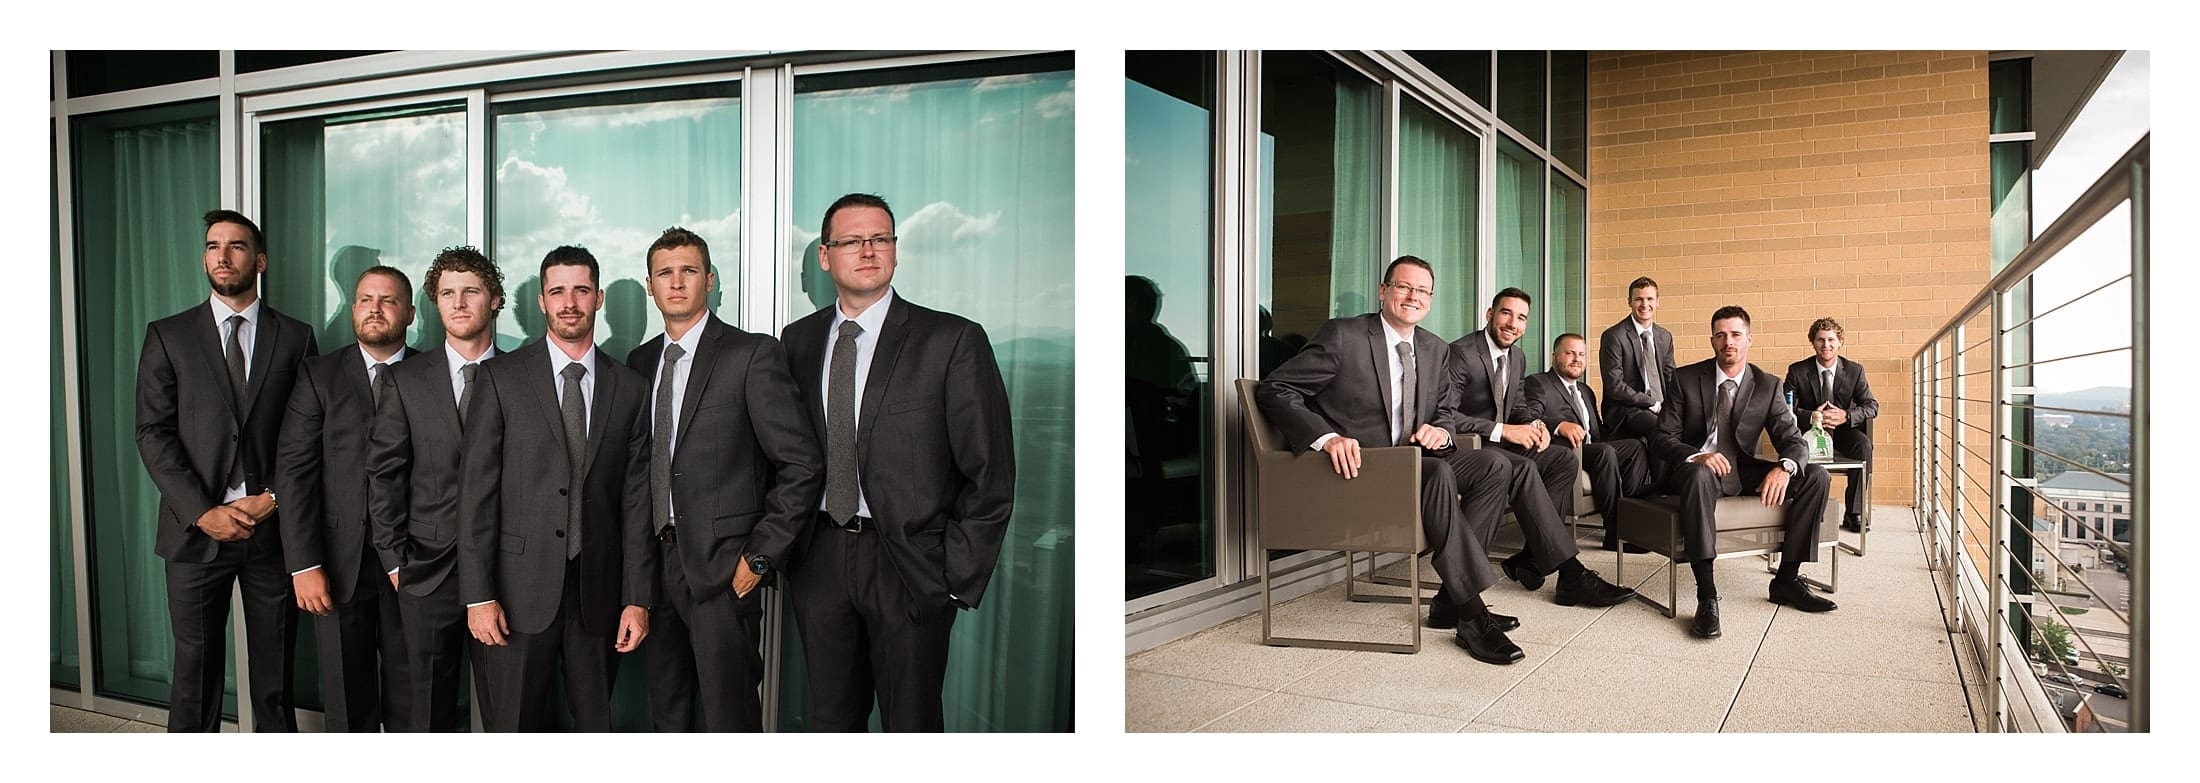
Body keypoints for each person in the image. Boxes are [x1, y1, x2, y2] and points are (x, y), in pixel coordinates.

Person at [780, 193, 1015, 730]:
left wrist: (953, 577)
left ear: (894, 250)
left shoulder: (951, 339)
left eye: (880, 238)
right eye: (852, 240)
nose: (867, 250)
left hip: (908, 565)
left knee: (912, 724)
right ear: (824, 256)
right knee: (831, 721)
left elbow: (990, 473)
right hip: (819, 556)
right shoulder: (797, 343)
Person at [1256, 256, 1525, 666]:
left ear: (1430, 300)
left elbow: (1445, 412)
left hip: (1415, 463)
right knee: (1434, 471)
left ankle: (1449, 597)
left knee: (1495, 466)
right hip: (1363, 470)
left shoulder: (1435, 349)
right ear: (1383, 292)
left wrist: (1441, 431)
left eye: (1422, 291)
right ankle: (1471, 614)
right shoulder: (1344, 336)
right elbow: (1276, 389)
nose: (1412, 296)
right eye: (1403, 287)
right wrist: (1325, 438)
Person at [628, 228, 822, 732]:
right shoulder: (640, 363)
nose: (676, 283)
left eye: (688, 271)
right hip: (657, 569)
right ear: (650, 285)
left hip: (723, 572)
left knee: (728, 718)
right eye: (665, 274)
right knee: (668, 714)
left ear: (709, 280)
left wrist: (759, 557)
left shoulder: (750, 354)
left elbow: (800, 464)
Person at [459, 246, 656, 731]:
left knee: (594, 727)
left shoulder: (629, 387)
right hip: (514, 596)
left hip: (598, 598)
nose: (570, 302)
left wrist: (637, 598)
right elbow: (476, 495)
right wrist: (478, 595)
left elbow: (635, 503)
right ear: (542, 302)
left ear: (599, 298)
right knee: (515, 727)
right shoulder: (500, 378)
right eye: (558, 291)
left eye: (581, 290)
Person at [134, 209, 317, 731]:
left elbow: (308, 435)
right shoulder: (168, 336)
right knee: (194, 675)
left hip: (273, 531)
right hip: (195, 535)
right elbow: (153, 432)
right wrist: (201, 511)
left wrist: (274, 497)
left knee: (275, 677)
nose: (222, 255)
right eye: (213, 245)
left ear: (258, 261)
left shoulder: (296, 337)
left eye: (236, 246)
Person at [272, 265, 418, 731]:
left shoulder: (432, 374)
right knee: (345, 701)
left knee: (414, 697)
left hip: (415, 566)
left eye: (389, 300)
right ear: (354, 308)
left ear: (411, 313)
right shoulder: (319, 375)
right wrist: (304, 564)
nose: (375, 309)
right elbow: (294, 474)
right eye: (366, 299)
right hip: (335, 567)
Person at [367, 246, 505, 731]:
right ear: (434, 303)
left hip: (505, 573)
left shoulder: (523, 377)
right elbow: (384, 474)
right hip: (424, 571)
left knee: (508, 713)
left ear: (494, 300)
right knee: (426, 715)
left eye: (471, 291)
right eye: (447, 293)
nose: (459, 302)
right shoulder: (404, 380)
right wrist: (393, 558)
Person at [1650, 306, 1838, 639]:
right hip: (1695, 471)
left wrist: (1785, 466)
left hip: (1742, 469)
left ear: (1749, 339)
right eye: (1721, 335)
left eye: (1736, 335)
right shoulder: (1686, 378)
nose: (1728, 342)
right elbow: (1662, 437)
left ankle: (1787, 580)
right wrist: (1698, 456)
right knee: (1699, 474)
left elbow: (1792, 440)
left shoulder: (1767, 385)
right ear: (1712, 340)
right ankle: (1707, 596)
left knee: (1817, 476)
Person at [1444, 289, 1635, 607]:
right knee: (1526, 468)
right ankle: (1571, 574)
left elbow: (1519, 407)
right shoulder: (1462, 353)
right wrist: (1504, 429)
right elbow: (1446, 416)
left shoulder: (1517, 357)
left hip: (1503, 445)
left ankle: (1532, 558)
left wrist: (1537, 425)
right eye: (1506, 313)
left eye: (1521, 318)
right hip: (1472, 447)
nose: (1513, 323)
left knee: (1562, 459)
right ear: (1489, 315)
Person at [1516, 333, 1652, 553]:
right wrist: (1559, 425)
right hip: (1564, 451)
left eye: (1581, 354)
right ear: (1555, 356)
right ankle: (1614, 534)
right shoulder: (1539, 382)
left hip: (1592, 448)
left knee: (1636, 446)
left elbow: (1599, 431)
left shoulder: (1586, 391)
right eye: (1569, 353)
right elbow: (1530, 415)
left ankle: (1632, 525)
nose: (1576, 359)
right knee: (1604, 452)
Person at [1785, 317, 1879, 532]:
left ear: (1840, 343)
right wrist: (1811, 416)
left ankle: (1854, 512)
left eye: (1830, 340)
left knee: (1863, 445)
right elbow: (1784, 407)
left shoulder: (1855, 371)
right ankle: (1805, 509)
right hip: (1809, 432)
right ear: (1813, 342)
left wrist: (1846, 415)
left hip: (1842, 431)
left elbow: (1871, 406)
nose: (1825, 345)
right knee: (1793, 450)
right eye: (1820, 340)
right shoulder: (1797, 371)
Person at [1598, 277, 1674, 440]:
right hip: (1627, 409)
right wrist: (1651, 403)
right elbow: (1615, 386)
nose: (1645, 304)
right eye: (1639, 299)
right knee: (1660, 429)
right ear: (1629, 302)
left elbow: (1671, 377)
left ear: (1658, 302)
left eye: (1650, 299)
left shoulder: (1664, 337)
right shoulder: (1614, 336)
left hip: (1660, 406)